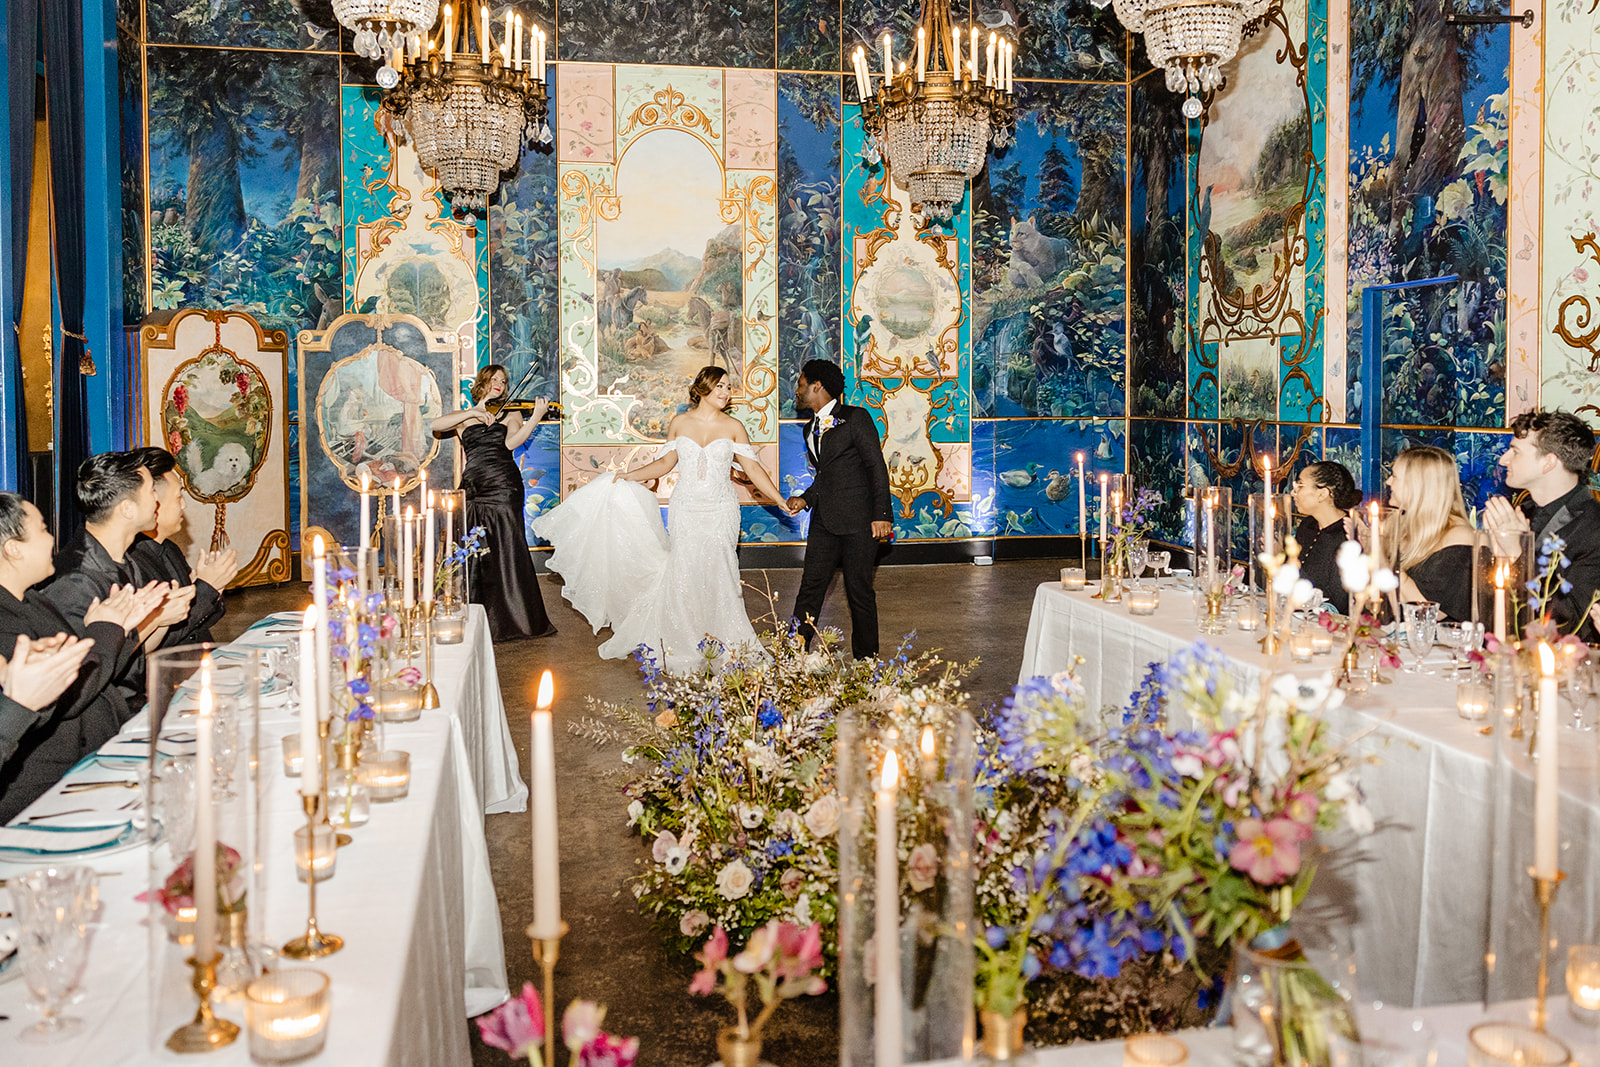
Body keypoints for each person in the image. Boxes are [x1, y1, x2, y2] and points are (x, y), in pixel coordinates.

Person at [532, 365, 787, 673]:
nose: (726, 392)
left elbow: (754, 469)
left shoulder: (733, 427)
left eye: (729, 388)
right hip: (687, 508)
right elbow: (665, 463)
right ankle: (686, 640)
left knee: (721, 570)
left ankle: (725, 641)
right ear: (703, 388)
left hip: (721, 509)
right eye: (720, 386)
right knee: (685, 569)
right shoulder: (679, 423)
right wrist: (628, 475)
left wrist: (779, 499)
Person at [0, 492, 164, 820]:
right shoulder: (6, 622)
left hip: (98, 754)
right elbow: (70, 698)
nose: (53, 540)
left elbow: (94, 668)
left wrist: (123, 628)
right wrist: (106, 629)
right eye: (44, 529)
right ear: (13, 549)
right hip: (46, 794)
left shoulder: (33, 601)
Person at [45, 452, 194, 710]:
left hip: (136, 704)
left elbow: (136, 654)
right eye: (151, 492)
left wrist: (160, 619)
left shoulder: (124, 559)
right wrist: (155, 620)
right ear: (127, 509)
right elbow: (82, 683)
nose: (158, 500)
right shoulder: (75, 580)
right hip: (102, 722)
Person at [432, 365, 557, 642]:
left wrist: (535, 416)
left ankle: (513, 620)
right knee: (469, 548)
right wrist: (473, 412)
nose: (500, 383)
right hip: (474, 486)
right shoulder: (466, 417)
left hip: (503, 485)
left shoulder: (511, 412)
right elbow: (436, 425)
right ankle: (469, 613)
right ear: (483, 382)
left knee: (506, 546)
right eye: (494, 379)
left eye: (503, 380)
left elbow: (512, 443)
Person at [786, 359, 893, 659]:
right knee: (810, 589)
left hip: (860, 523)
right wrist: (806, 498)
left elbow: (876, 467)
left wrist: (881, 516)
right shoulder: (810, 429)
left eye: (801, 383)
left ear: (817, 386)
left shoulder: (855, 418)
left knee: (859, 593)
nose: (797, 389)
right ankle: (793, 655)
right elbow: (827, 475)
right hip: (824, 522)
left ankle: (866, 662)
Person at [1485, 410, 1600, 640]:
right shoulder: (1522, 511)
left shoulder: (1593, 526)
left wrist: (1520, 554)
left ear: (1548, 462)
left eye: (1515, 451)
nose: (1503, 459)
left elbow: (1571, 625)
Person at [127, 446, 240, 646]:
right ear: (153, 503)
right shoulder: (132, 562)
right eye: (178, 497)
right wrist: (206, 588)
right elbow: (160, 642)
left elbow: (199, 625)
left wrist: (214, 589)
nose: (184, 506)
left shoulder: (169, 549)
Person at [1388, 446, 1478, 622]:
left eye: (1395, 476)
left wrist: (1387, 560)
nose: (1388, 482)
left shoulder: (1460, 538)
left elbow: (1431, 613)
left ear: (1418, 486)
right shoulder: (1402, 524)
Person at [1290, 461, 1363, 615]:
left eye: (1300, 486)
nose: (1293, 492)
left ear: (1322, 494)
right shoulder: (1308, 526)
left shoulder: (1348, 535)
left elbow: (1339, 602)